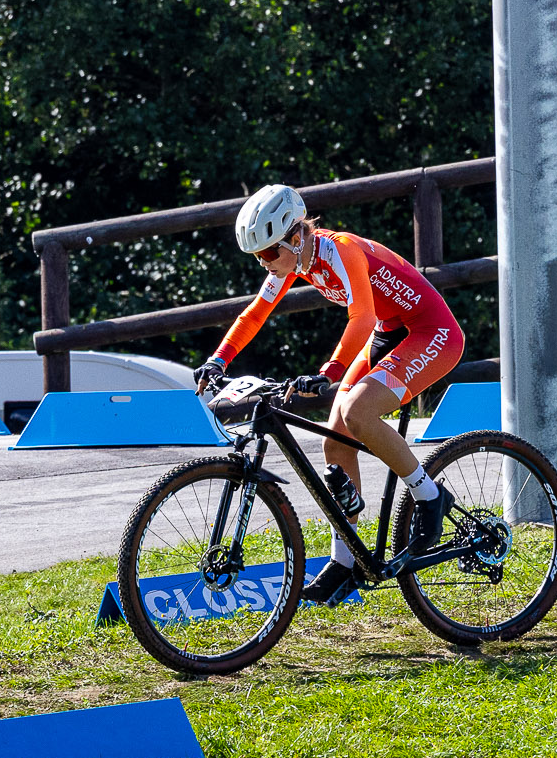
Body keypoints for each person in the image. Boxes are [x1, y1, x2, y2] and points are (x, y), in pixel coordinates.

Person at [194, 184, 466, 604]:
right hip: (390, 332)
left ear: (295, 236)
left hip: (431, 332)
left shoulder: (341, 250)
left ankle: (429, 496)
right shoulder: (294, 262)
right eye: (257, 256)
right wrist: (218, 359)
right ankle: (345, 561)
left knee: (358, 411)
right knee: (335, 441)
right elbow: (255, 315)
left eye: (269, 252)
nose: (265, 263)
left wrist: (330, 371)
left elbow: (362, 316)